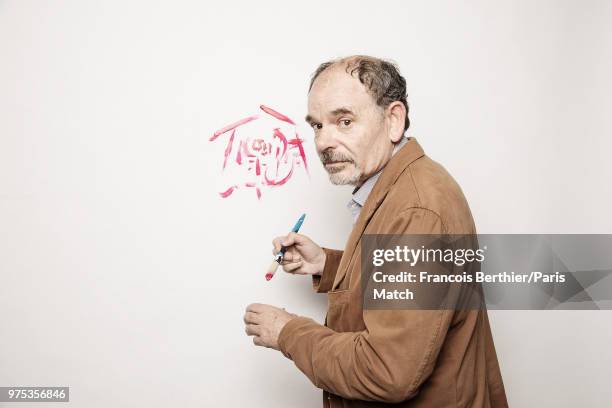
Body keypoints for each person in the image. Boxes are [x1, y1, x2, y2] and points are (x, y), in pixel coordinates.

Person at [243, 55, 508, 407]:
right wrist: (327, 264)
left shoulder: (418, 210)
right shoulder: (399, 187)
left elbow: (387, 370)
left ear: (393, 120)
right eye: (317, 126)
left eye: (345, 121)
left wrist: (288, 332)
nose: (323, 142)